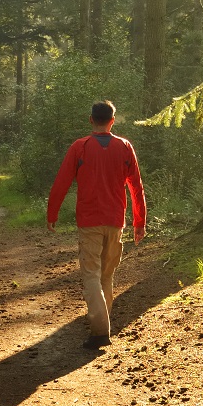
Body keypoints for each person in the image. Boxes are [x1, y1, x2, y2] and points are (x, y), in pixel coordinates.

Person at [46, 100, 147, 349]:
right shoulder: (124, 147)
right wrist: (139, 221)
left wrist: (52, 214)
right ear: (112, 120)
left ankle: (100, 331)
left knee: (91, 275)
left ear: (91, 120)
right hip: (115, 222)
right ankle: (102, 326)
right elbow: (136, 186)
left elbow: (61, 182)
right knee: (106, 276)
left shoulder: (80, 147)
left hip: (89, 222)